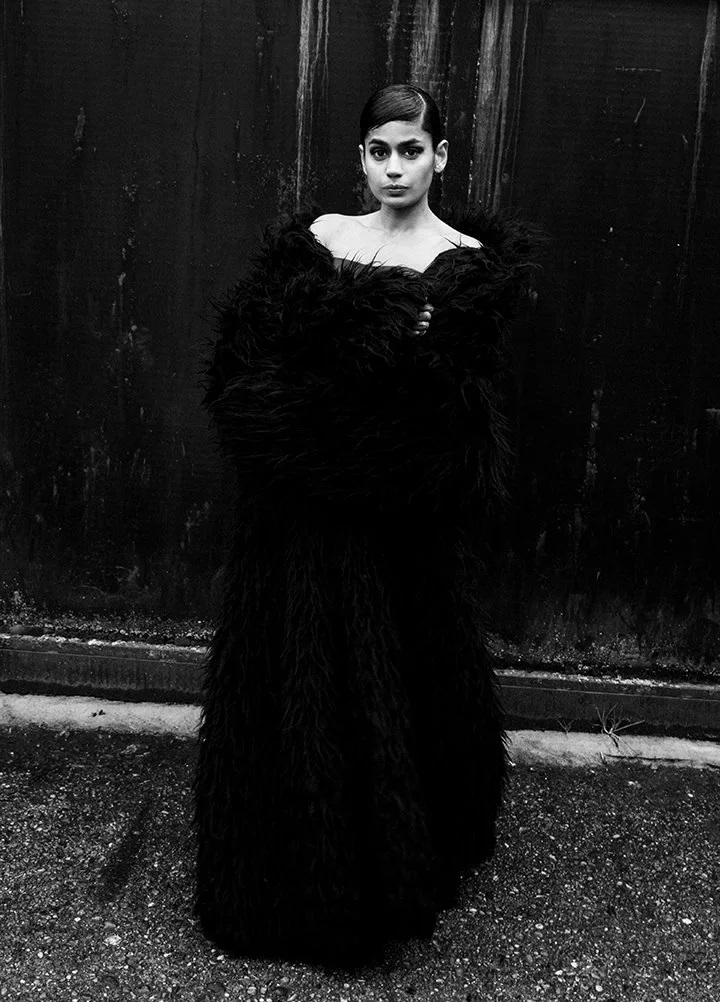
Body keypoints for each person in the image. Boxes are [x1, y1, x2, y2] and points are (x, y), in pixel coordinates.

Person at [193, 83, 543, 970]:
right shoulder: (320, 240)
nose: (395, 168)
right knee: (301, 685)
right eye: (380, 151)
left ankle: (388, 866)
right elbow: (245, 372)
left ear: (441, 157)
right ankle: (289, 867)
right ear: (361, 157)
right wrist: (365, 344)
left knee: (394, 684)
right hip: (299, 529)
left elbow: (442, 426)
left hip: (396, 535)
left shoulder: (465, 266)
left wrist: (339, 384)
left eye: (411, 150)